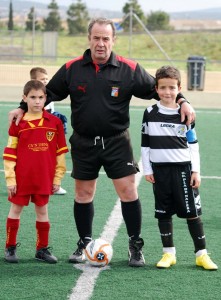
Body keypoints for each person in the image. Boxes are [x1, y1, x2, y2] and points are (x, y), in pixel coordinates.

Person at [8, 18, 195, 267]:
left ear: (113, 40)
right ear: (89, 39)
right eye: (96, 38)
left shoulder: (128, 68)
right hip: (84, 142)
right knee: (83, 193)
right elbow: (47, 93)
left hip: (117, 141)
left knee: (128, 191)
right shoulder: (72, 68)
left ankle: (134, 245)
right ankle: (85, 242)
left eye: (105, 38)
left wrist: (183, 100)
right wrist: (22, 108)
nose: (100, 43)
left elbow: (159, 88)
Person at [141, 65, 218, 270]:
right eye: (163, 87)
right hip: (159, 171)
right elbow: (145, 144)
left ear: (179, 88)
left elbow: (193, 144)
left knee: (193, 212)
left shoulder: (186, 112)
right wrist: (148, 169)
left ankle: (201, 254)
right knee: (163, 213)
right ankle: (169, 254)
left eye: (172, 88)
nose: (167, 92)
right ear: (156, 89)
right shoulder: (149, 112)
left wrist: (196, 171)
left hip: (183, 170)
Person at [3, 80, 68, 264]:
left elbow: (60, 153)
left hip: (44, 178)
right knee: (15, 209)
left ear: (46, 98)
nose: (37, 101)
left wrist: (57, 178)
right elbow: (9, 153)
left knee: (42, 211)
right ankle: (10, 247)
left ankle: (41, 249)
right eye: (32, 97)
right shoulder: (18, 122)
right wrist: (10, 179)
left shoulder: (54, 122)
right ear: (24, 98)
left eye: (41, 97)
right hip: (21, 178)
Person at [30, 67, 68, 196]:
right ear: (33, 80)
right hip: (39, 133)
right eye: (42, 79)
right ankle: (30, 184)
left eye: (47, 79)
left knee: (52, 158)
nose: (45, 81)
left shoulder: (48, 94)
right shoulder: (34, 96)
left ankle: (53, 185)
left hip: (49, 132)